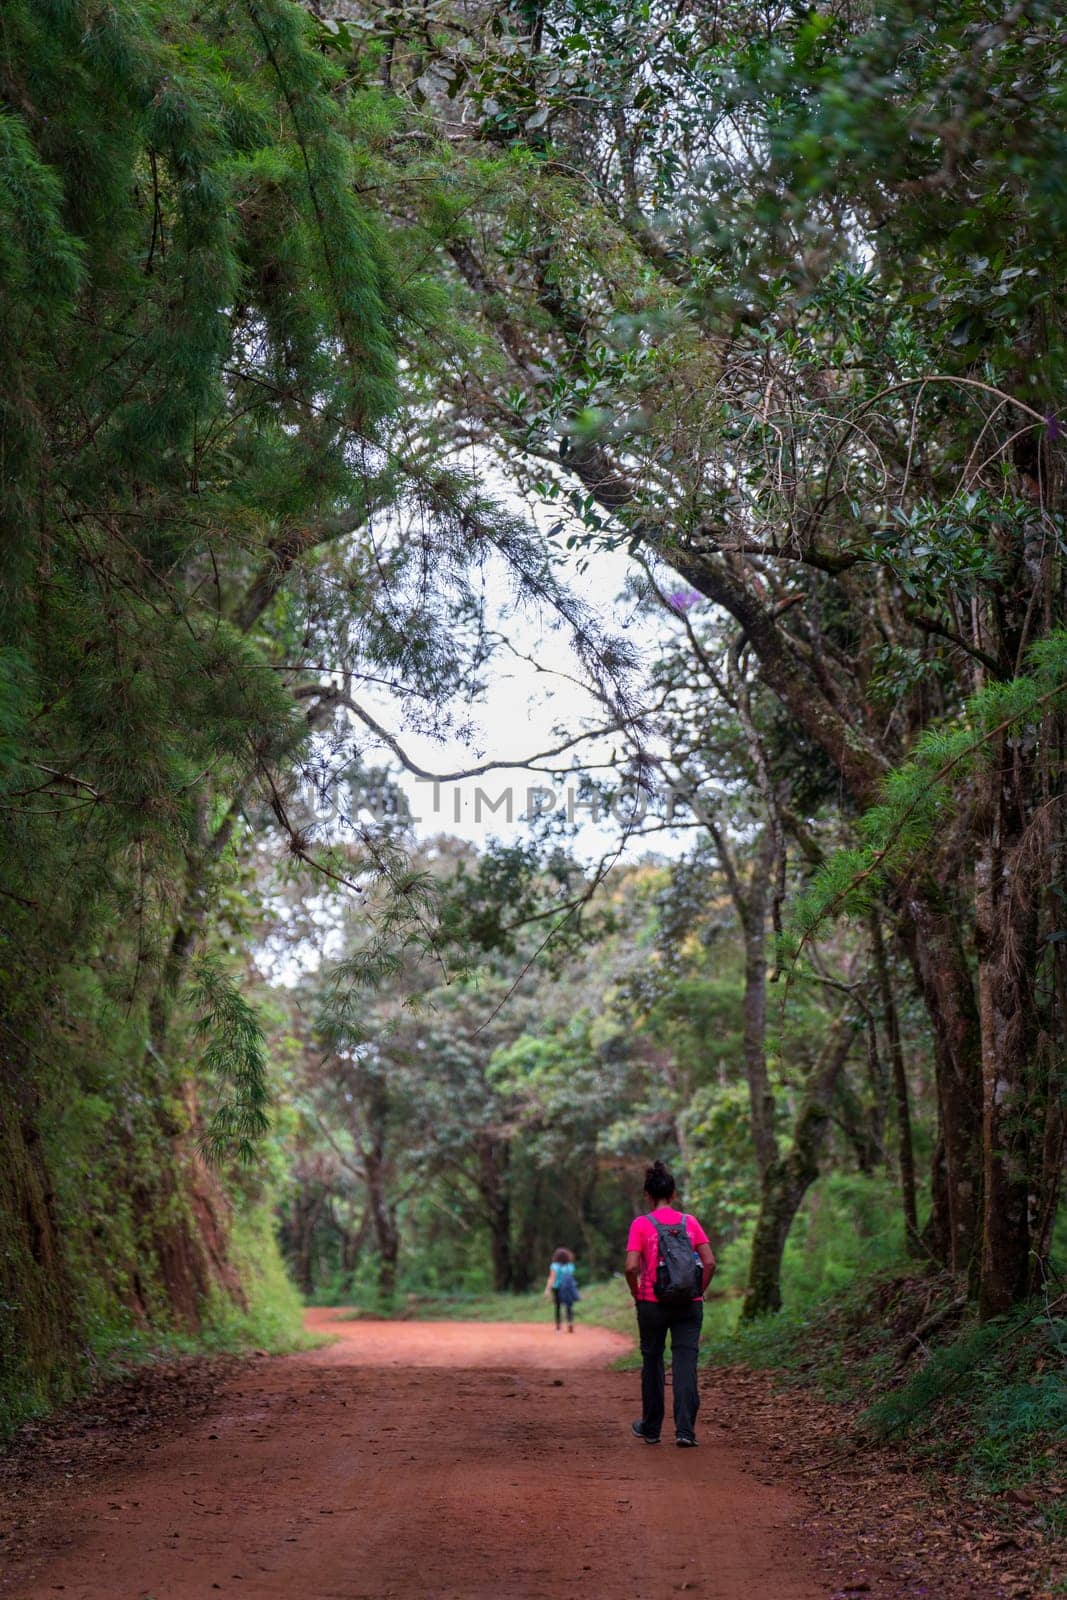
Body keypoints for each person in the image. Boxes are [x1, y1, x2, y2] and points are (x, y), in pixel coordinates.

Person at [625, 1160, 715, 1447]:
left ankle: (651, 1428)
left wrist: (636, 1293)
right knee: (685, 1361)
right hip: (689, 1303)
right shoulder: (690, 1222)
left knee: (652, 1361)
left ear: (647, 1195)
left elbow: (630, 1267)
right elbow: (710, 1262)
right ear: (674, 1194)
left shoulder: (641, 1224)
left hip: (652, 1303)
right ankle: (685, 1431)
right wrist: (697, 1291)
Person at [544, 1246, 579, 1332]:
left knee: (558, 1306)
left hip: (557, 1288)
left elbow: (552, 1278)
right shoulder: (570, 1266)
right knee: (569, 1306)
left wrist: (547, 1289)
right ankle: (570, 1322)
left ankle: (558, 1327)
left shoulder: (554, 1266)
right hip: (568, 1288)